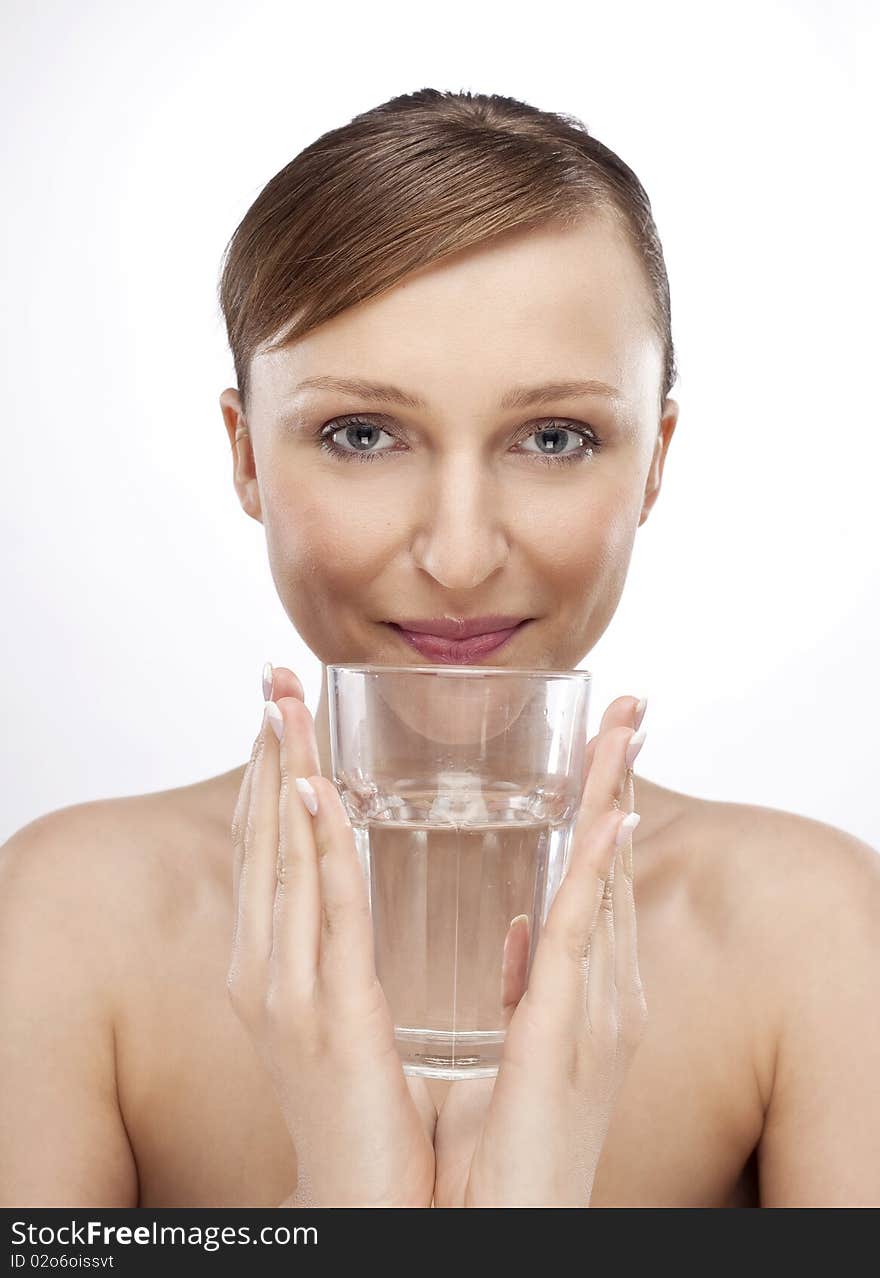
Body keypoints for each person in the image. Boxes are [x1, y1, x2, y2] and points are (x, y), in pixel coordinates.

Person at [1, 88, 878, 1210]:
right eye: (361, 434)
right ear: (247, 457)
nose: (459, 556)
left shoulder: (813, 938)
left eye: (554, 437)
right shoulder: (66, 925)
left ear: (653, 459)